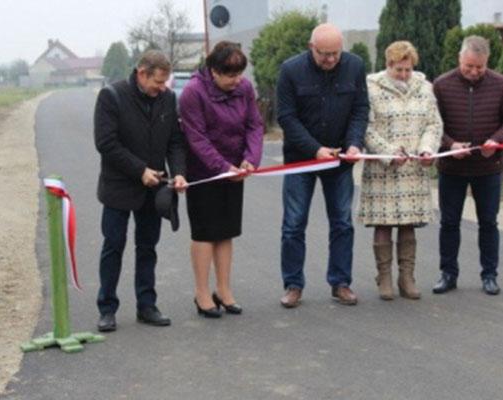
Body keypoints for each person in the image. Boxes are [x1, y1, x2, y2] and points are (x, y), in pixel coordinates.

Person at [93, 50, 188, 332]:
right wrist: (139, 170)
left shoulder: (168, 99)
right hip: (119, 188)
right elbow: (106, 143)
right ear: (142, 73)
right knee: (113, 247)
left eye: (165, 83)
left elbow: (175, 142)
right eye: (158, 82)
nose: (162, 88)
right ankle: (107, 308)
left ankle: (146, 305)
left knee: (148, 248)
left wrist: (180, 172)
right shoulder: (111, 97)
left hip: (154, 188)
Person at [276, 23, 369, 308]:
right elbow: (286, 117)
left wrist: (354, 143)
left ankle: (340, 282)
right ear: (310, 47)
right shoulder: (290, 71)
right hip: (301, 160)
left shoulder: (354, 66)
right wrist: (315, 150)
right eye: (324, 54)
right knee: (293, 224)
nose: (330, 59)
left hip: (340, 161)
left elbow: (360, 109)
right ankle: (293, 284)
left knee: (342, 222)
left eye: (335, 53)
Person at [178, 41, 263, 318]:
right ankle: (202, 293)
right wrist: (222, 167)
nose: (237, 81)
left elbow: (254, 125)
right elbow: (197, 138)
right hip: (204, 172)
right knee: (205, 233)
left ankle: (223, 290)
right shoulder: (193, 93)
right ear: (213, 71)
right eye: (230, 75)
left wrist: (250, 159)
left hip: (235, 171)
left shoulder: (245, 89)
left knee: (226, 231)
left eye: (240, 74)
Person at [431, 36, 503, 296]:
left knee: (489, 222)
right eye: (469, 66)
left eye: (479, 67)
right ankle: (448, 273)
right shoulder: (442, 85)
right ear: (460, 59)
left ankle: (490, 275)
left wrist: (497, 140)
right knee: (449, 222)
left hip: (487, 167)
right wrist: (449, 145)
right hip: (452, 168)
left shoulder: (501, 85)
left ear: (487, 62)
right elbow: (433, 125)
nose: (473, 72)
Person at [357, 41, 441, 301]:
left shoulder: (425, 88)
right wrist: (388, 152)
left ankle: (407, 277)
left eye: (408, 69)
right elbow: (365, 127)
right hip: (383, 168)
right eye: (399, 70)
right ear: (388, 65)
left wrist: (428, 149)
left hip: (413, 168)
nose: (404, 75)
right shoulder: (370, 89)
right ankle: (383, 277)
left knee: (408, 223)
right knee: (383, 223)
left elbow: (433, 123)